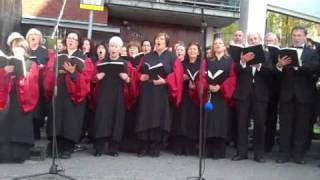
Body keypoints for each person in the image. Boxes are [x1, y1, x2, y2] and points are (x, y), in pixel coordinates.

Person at [44, 31, 95, 159]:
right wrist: (55, 71)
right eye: (69, 38)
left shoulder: (84, 58)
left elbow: (87, 77)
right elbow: (48, 73)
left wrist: (73, 73)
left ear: (78, 43)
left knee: (70, 120)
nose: (71, 40)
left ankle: (68, 147)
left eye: (74, 39)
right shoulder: (57, 56)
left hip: (74, 93)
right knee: (57, 118)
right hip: (59, 90)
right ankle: (56, 146)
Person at [276, 26, 320, 164]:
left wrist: (297, 66)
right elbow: (276, 75)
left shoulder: (312, 53)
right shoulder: (284, 52)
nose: (296, 37)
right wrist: (279, 65)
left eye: (299, 35)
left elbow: (314, 68)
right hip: (286, 95)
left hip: (304, 95)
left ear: (305, 37)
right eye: (294, 35)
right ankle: (284, 154)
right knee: (285, 125)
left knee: (301, 126)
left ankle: (298, 154)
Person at [135, 32, 184, 157]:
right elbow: (137, 73)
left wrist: (165, 80)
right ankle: (143, 147)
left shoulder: (172, 57)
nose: (158, 40)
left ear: (166, 42)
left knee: (158, 119)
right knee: (144, 117)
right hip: (147, 91)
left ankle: (155, 147)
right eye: (157, 38)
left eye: (161, 39)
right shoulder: (146, 56)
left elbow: (177, 75)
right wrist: (141, 76)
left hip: (161, 92)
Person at [92, 36, 138, 157]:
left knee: (117, 120)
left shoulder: (126, 64)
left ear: (120, 49)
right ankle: (99, 147)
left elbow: (131, 82)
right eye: (112, 46)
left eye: (116, 46)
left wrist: (127, 78)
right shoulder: (101, 62)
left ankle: (113, 148)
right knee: (102, 120)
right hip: (104, 95)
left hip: (119, 96)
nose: (113, 48)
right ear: (109, 47)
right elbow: (92, 79)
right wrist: (97, 77)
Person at [232, 32, 274, 163]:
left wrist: (259, 66)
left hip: (260, 94)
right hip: (243, 93)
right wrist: (243, 61)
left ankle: (259, 154)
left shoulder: (267, 55)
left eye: (255, 38)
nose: (252, 40)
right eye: (250, 39)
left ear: (260, 40)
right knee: (241, 124)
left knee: (260, 125)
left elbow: (272, 73)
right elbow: (235, 71)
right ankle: (241, 153)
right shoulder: (242, 53)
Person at [0, 32, 39, 163]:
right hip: (8, 98)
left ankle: (20, 155)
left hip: (23, 99)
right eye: (14, 46)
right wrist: (5, 72)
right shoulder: (7, 61)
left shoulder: (31, 64)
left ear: (25, 48)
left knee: (19, 127)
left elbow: (33, 83)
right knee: (6, 126)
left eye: (19, 46)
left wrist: (22, 78)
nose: (17, 49)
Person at [199, 38, 236, 159]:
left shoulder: (230, 61)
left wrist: (221, 87)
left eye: (220, 43)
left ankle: (219, 151)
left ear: (224, 46)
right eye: (215, 44)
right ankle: (208, 150)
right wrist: (207, 85)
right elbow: (202, 75)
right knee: (208, 122)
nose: (217, 45)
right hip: (210, 95)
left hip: (222, 96)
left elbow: (232, 78)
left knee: (221, 123)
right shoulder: (207, 60)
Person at [171, 42, 201, 155]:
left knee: (192, 121)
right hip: (183, 94)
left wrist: (196, 84)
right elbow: (175, 77)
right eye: (190, 49)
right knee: (181, 120)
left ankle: (190, 148)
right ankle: (178, 147)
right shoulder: (181, 63)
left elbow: (204, 78)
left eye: (194, 49)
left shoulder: (201, 64)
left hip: (195, 97)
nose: (192, 51)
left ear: (198, 52)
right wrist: (181, 78)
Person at [26, 28, 54, 140]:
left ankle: (36, 131)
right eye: (31, 34)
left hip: (40, 83)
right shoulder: (24, 50)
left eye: (36, 34)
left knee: (38, 109)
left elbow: (51, 66)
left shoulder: (45, 52)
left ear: (40, 38)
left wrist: (44, 68)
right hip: (26, 83)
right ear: (27, 37)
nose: (33, 36)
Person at [263, 32, 280, 152]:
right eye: (267, 40)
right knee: (261, 118)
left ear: (276, 41)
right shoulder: (261, 52)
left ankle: (268, 144)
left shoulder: (279, 53)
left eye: (271, 40)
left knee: (271, 119)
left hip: (274, 90)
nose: (268, 42)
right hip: (261, 89)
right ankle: (259, 142)